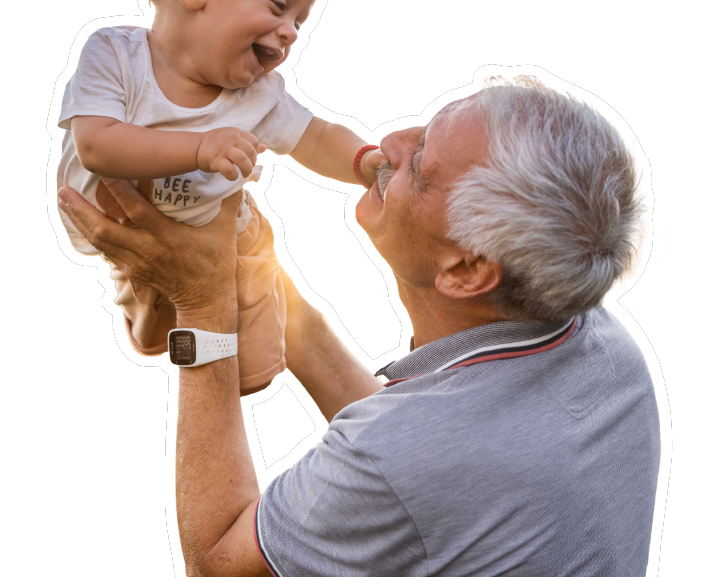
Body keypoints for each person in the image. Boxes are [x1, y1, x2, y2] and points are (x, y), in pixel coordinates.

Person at [58, 77, 665, 577]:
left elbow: (218, 563)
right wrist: (266, 279)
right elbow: (422, 473)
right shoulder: (603, 344)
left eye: (421, 164)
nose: (388, 145)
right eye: (425, 126)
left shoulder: (408, 455)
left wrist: (202, 307)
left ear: (467, 267)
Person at [55, 0, 385, 394]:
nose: (291, 31)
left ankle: (244, 354)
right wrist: (200, 148)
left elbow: (316, 137)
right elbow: (98, 146)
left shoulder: (259, 96)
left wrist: (365, 162)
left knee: (247, 364)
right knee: (151, 337)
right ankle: (169, 322)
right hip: (125, 238)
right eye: (279, 5)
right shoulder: (116, 56)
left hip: (228, 236)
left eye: (299, 20)